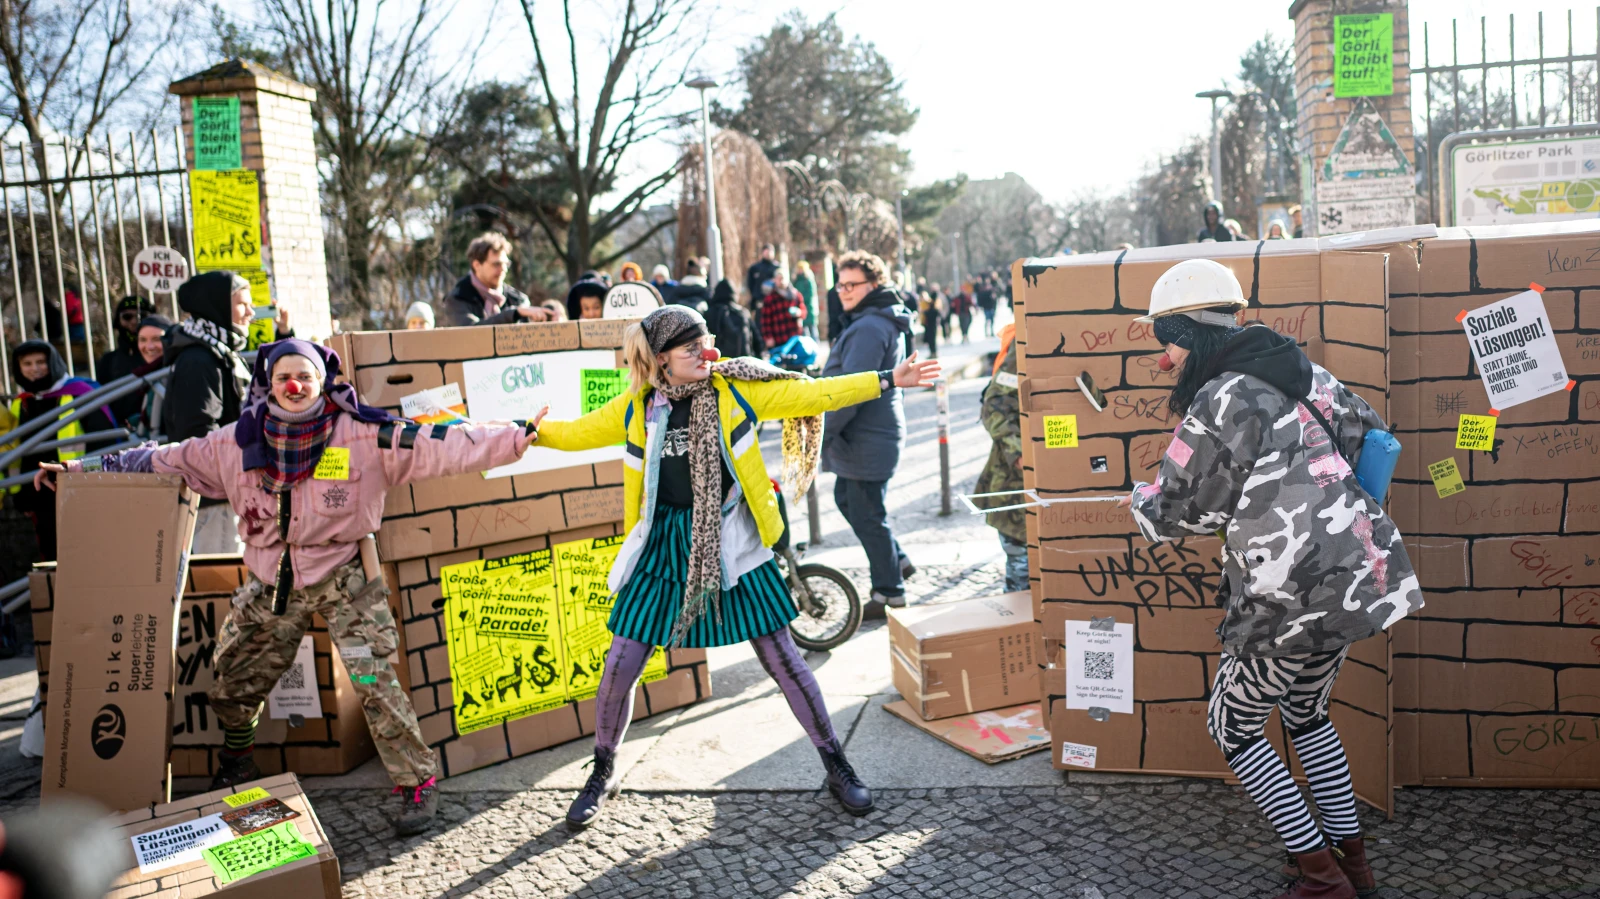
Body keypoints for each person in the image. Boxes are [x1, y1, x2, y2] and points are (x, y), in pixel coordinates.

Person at [37, 339, 544, 835]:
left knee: (375, 685)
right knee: (232, 681)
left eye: (305, 377)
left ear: (324, 383)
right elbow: (162, 459)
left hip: (344, 576)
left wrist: (518, 435)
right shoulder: (233, 442)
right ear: (268, 383)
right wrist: (82, 470)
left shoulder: (366, 434)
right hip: (268, 579)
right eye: (283, 378)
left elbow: (447, 444)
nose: (295, 386)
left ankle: (417, 782)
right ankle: (239, 759)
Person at [533, 305, 942, 829]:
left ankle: (835, 763)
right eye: (690, 349)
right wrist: (529, 432)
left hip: (731, 541)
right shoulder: (637, 408)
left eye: (708, 343)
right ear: (661, 360)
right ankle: (604, 768)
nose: (707, 354)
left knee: (784, 658)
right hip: (661, 546)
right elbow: (576, 433)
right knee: (620, 662)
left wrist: (888, 379)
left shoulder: (734, 390)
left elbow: (814, 393)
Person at [1118, 258, 1422, 899]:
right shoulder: (1311, 372)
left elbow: (1185, 512)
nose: (1165, 360)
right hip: (1357, 575)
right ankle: (1354, 866)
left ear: (1192, 331)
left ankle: (1320, 876)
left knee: (1233, 726)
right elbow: (1375, 440)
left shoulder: (1221, 396)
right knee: (1307, 716)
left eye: (1164, 340)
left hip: (1288, 595)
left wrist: (1144, 501)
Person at [823, 251, 919, 618]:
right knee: (849, 500)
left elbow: (852, 391)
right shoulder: (870, 319)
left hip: (867, 437)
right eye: (841, 284)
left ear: (873, 284)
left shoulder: (868, 326)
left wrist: (824, 432)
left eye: (852, 284)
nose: (844, 291)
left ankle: (889, 592)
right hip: (868, 435)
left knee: (867, 513)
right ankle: (899, 561)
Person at [162, 271, 256, 553]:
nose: (251, 312)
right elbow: (200, 435)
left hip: (230, 494)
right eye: (242, 304)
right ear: (216, 307)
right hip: (215, 500)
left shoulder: (220, 352)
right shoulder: (199, 360)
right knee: (223, 580)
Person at [3, 341, 115, 561]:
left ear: (53, 362)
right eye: (27, 363)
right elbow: (16, 456)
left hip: (80, 487)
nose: (34, 368)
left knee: (88, 553)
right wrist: (20, 495)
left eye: (41, 362)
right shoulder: (20, 403)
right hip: (40, 493)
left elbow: (104, 442)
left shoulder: (80, 393)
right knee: (52, 554)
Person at [975, 339, 1026, 592]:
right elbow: (994, 404)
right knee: (1022, 573)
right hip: (1019, 485)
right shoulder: (1029, 338)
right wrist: (1018, 454)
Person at [440, 233, 554, 327]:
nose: (503, 269)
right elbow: (471, 332)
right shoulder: (458, 298)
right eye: (496, 264)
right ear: (477, 265)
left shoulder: (518, 299)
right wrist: (512, 314)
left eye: (506, 264)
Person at [96, 295, 157, 425]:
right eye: (127, 317)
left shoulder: (162, 356)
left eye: (142, 316)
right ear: (118, 321)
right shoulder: (108, 361)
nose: (135, 321)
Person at [127, 314, 174, 438]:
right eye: (142, 340)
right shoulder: (150, 374)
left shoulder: (172, 374)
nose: (149, 346)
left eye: (156, 339)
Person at [703, 279, 756, 359]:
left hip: (717, 361)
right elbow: (756, 338)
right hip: (741, 362)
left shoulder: (710, 313)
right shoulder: (742, 313)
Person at [758, 268, 805, 350]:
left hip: (794, 337)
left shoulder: (796, 295)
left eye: (783, 278)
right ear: (775, 280)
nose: (782, 281)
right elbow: (765, 321)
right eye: (779, 279)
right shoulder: (770, 299)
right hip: (778, 337)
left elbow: (804, 311)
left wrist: (799, 313)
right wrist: (768, 337)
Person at [745, 243, 779, 309]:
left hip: (775, 300)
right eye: (766, 251)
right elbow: (750, 283)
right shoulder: (755, 268)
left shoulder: (778, 268)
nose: (768, 254)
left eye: (770, 251)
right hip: (760, 300)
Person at [792, 260, 818, 338]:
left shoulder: (809, 280)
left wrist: (801, 300)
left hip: (809, 307)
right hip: (800, 307)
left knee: (811, 328)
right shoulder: (796, 281)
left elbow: (810, 294)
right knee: (804, 330)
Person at [918, 283, 940, 359]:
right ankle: (933, 352)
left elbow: (933, 312)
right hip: (930, 323)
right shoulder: (932, 302)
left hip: (932, 323)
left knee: (932, 339)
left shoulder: (935, 303)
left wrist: (925, 312)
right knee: (931, 339)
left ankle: (933, 353)